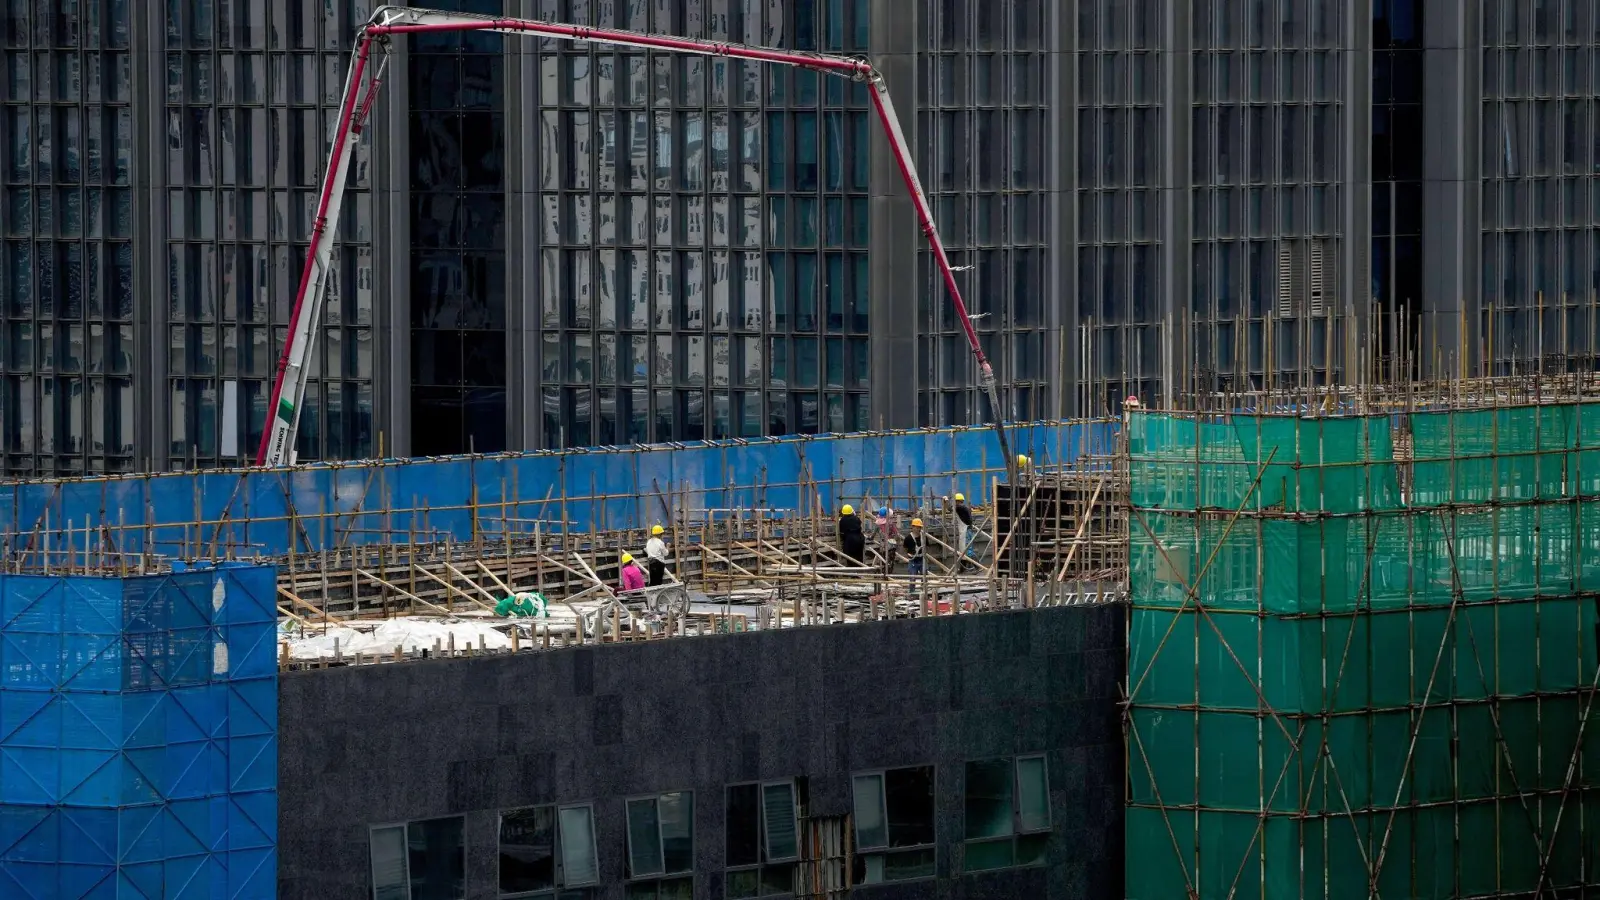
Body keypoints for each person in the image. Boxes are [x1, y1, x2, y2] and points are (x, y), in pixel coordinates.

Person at [953, 492, 976, 568]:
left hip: (966, 531)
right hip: (964, 530)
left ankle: (977, 566)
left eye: (955, 501)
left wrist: (945, 501)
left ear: (958, 501)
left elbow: (951, 508)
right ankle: (963, 569)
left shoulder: (960, 507)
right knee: (962, 551)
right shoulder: (963, 507)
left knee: (967, 550)